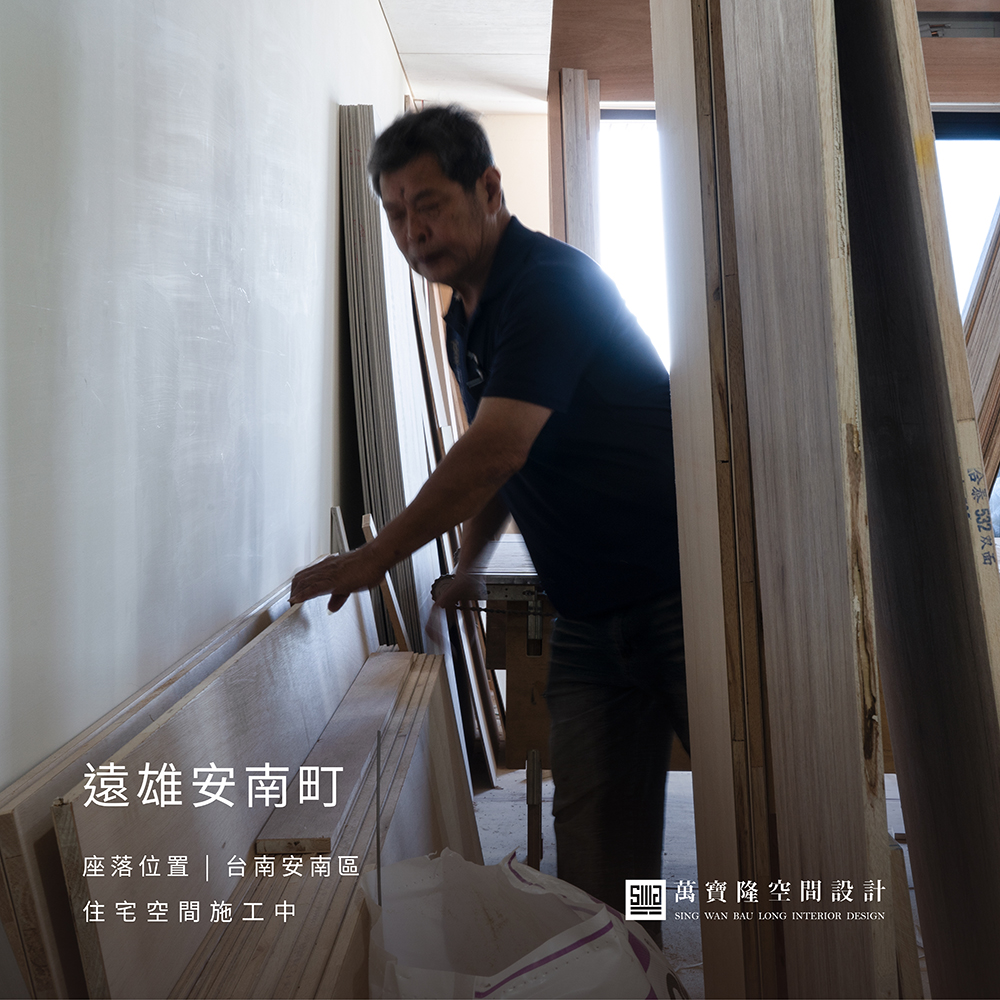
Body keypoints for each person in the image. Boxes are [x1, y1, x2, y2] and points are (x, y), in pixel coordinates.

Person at [290, 104, 687, 946]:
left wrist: (374, 556)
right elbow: (510, 459)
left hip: (683, 600)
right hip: (587, 616)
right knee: (598, 869)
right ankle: (636, 975)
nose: (413, 231)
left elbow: (497, 446)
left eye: (430, 204)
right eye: (396, 213)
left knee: (759, 820)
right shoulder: (464, 319)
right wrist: (470, 564)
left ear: (490, 188)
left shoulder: (548, 286)